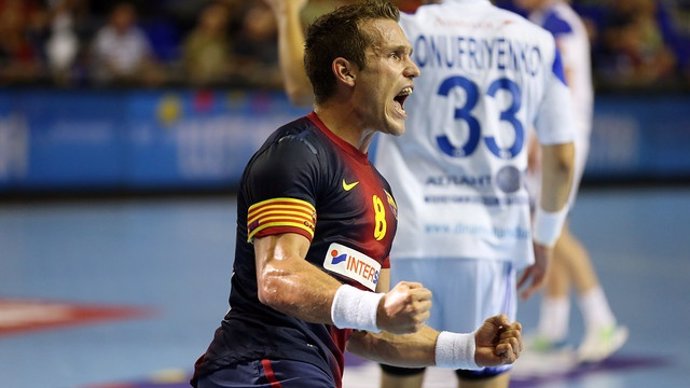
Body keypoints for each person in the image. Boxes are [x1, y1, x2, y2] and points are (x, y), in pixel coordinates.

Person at [191, 2, 523, 388]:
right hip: (260, 369)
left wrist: (465, 348)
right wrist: (379, 308)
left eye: (410, 57)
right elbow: (277, 277)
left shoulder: (381, 194)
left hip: (307, 373)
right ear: (346, 71)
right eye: (395, 56)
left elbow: (369, 331)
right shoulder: (296, 152)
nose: (413, 69)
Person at [265, 0, 575, 387]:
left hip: (406, 233)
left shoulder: (401, 29)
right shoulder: (539, 42)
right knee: (485, 364)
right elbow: (561, 157)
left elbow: (302, 87)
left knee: (397, 366)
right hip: (489, 242)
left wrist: (285, 14)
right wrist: (545, 238)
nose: (409, 66)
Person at [513, 0, 628, 364]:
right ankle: (553, 325)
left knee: (554, 229)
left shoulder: (557, 24)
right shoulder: (545, 20)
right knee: (547, 225)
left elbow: (556, 85)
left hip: (559, 136)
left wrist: (534, 136)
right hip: (555, 134)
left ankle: (603, 320)